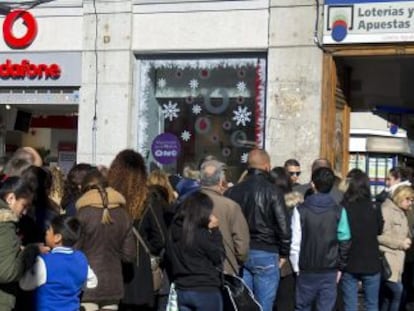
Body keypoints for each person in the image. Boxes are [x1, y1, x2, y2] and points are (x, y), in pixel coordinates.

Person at [225, 149, 291, 310]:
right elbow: (284, 226)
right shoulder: (273, 191)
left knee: (243, 304)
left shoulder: (233, 191)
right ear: (267, 167)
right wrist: (284, 253)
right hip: (267, 252)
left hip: (241, 252)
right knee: (264, 306)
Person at [107, 149, 167, 310]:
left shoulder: (106, 198)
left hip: (109, 269)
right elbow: (160, 238)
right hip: (139, 272)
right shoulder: (147, 200)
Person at [290, 167, 351, 311]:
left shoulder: (300, 210)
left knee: (302, 307)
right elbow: (345, 240)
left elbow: (295, 242)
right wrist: (340, 267)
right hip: (329, 269)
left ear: (312, 184)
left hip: (306, 268)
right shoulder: (339, 211)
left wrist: (296, 267)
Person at [76, 168, 136, 311]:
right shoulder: (123, 215)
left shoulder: (82, 214)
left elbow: (74, 250)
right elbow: (129, 256)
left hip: (87, 285)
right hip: (113, 284)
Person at [19, 215, 98, 311]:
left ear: (57, 237)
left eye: (49, 230)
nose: (46, 232)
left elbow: (25, 284)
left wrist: (28, 255)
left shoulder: (44, 261)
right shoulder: (81, 258)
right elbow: (93, 282)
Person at [165, 191, 225, 311]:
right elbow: (219, 256)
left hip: (182, 288)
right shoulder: (201, 234)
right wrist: (215, 231)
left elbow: (169, 258)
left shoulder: (174, 231)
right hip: (205, 289)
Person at [340, 169, 383, 311]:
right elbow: (379, 229)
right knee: (372, 304)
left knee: (350, 305)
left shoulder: (343, 207)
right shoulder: (374, 207)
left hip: (350, 260)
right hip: (371, 260)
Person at [200, 159, 249, 274]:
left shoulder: (187, 202)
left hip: (191, 269)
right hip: (223, 269)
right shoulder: (230, 206)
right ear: (221, 181)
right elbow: (242, 246)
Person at [0, 176, 41, 311]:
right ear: (11, 198)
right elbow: (8, 272)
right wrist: (31, 251)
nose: (25, 212)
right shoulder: (5, 222)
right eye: (24, 205)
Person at [378, 185, 414, 311]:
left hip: (398, 263)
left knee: (387, 297)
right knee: (397, 292)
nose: (411, 202)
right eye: (408, 199)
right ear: (400, 197)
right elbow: (380, 236)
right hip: (388, 260)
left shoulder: (403, 212)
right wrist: (400, 243)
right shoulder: (387, 210)